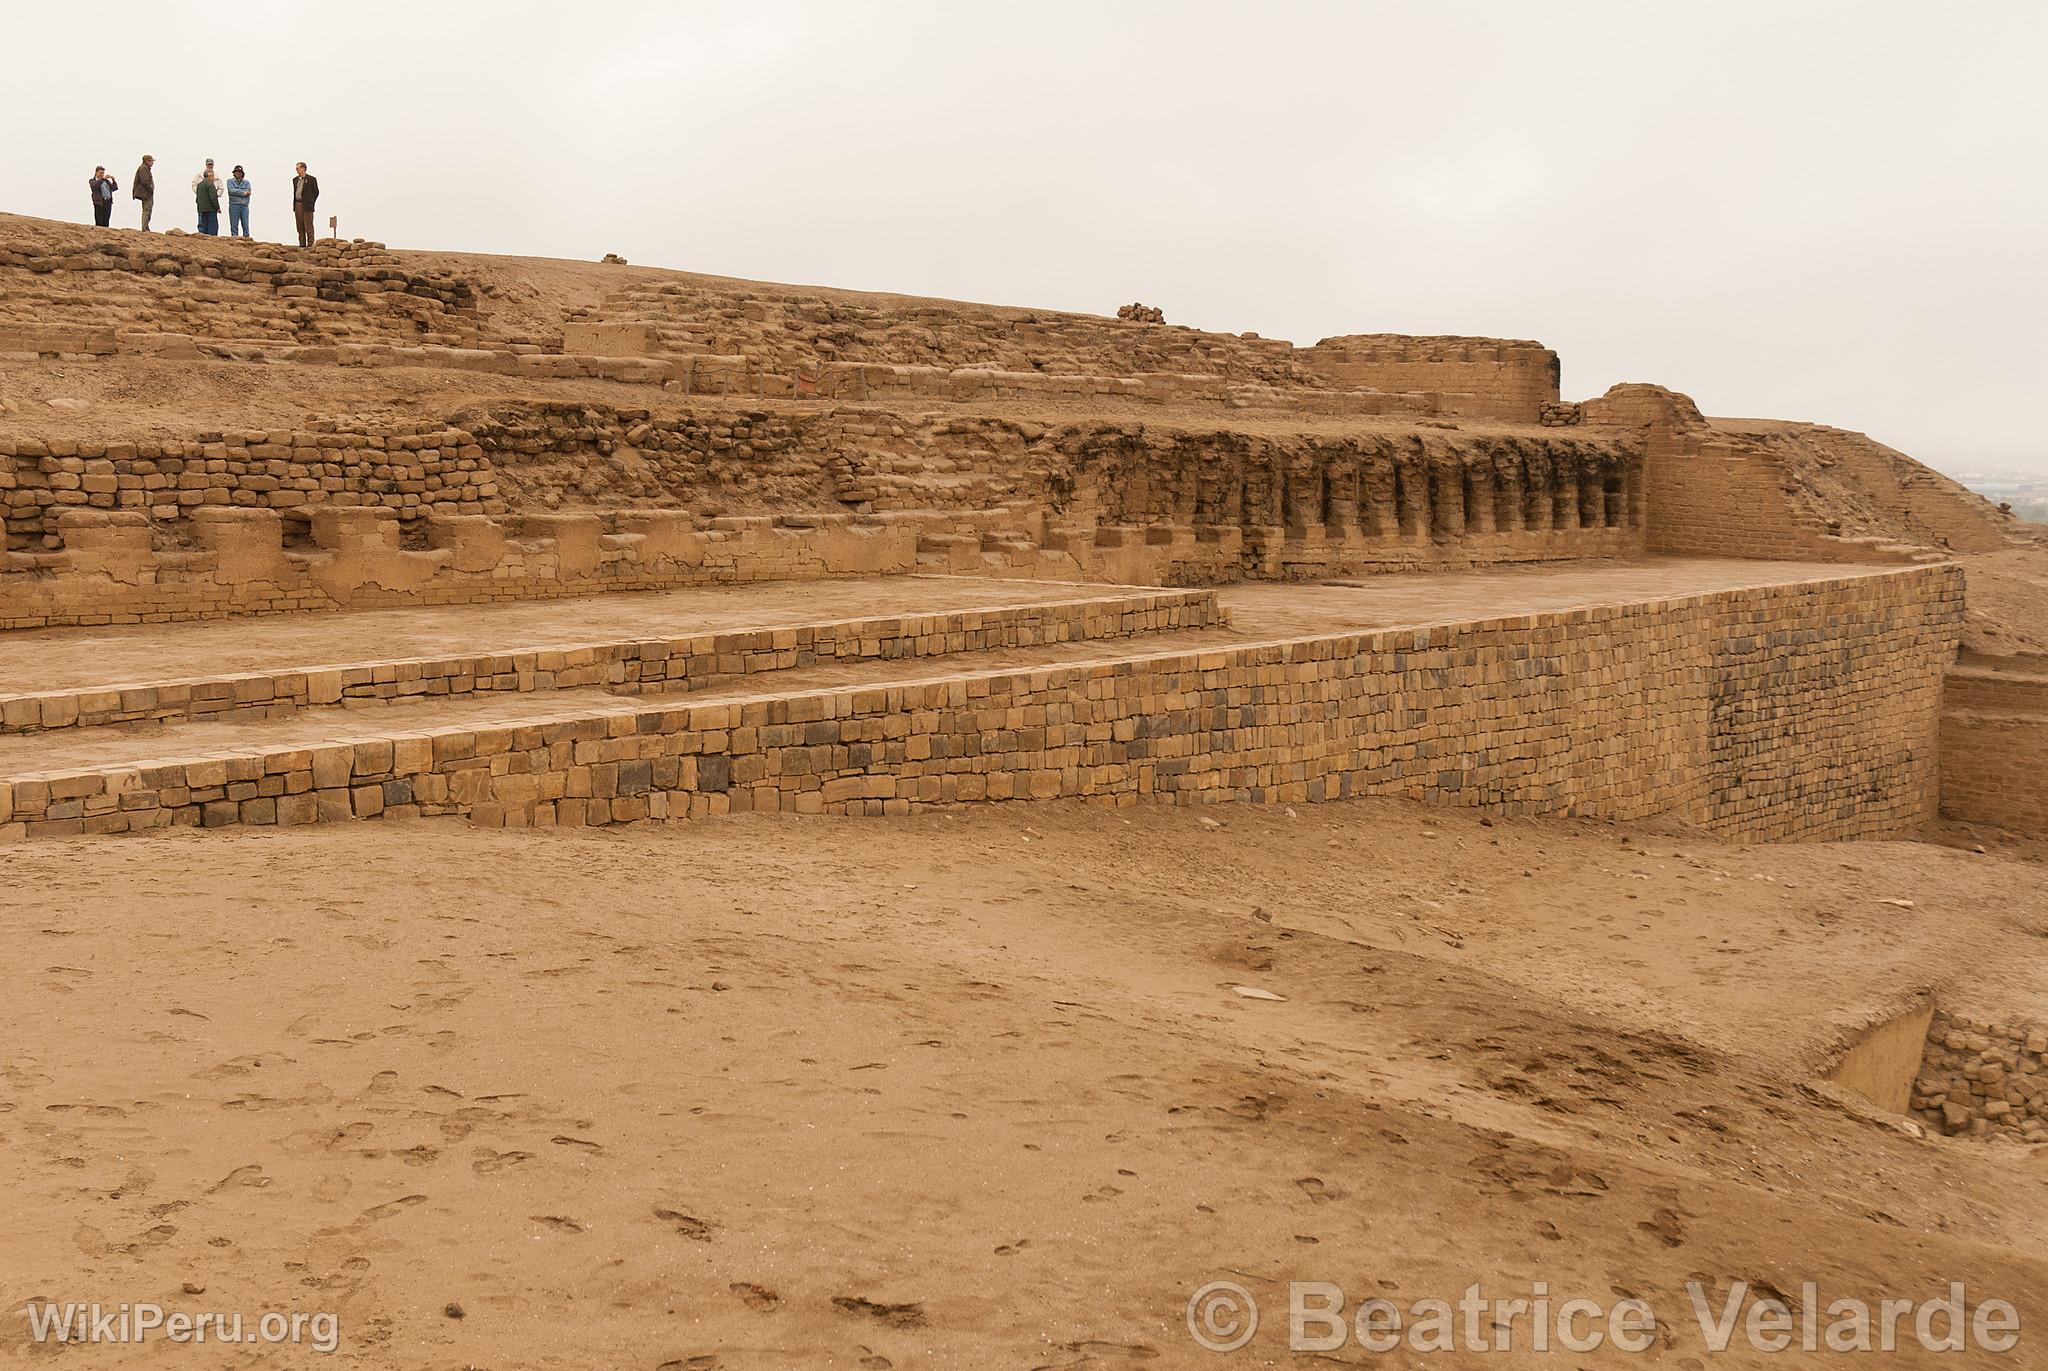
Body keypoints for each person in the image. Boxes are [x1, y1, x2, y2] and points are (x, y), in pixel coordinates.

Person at [290, 162, 320, 248]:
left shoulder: (311, 179)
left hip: (307, 205)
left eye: (298, 168)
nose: (296, 170)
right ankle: (302, 243)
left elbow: (316, 192)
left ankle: (310, 243)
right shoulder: (295, 180)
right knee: (299, 225)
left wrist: (311, 201)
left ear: (303, 168)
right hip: (298, 204)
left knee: (308, 225)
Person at [226, 166, 252, 238]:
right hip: (234, 205)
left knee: (245, 224)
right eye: (236, 172)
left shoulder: (246, 182)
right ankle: (234, 239)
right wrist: (243, 193)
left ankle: (246, 239)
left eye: (240, 172)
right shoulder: (230, 181)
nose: (238, 173)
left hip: (244, 206)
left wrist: (237, 192)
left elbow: (248, 192)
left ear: (242, 173)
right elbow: (231, 191)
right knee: (234, 224)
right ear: (234, 173)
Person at [195, 169, 222, 236]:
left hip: (201, 209)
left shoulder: (199, 185)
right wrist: (217, 208)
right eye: (213, 176)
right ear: (209, 176)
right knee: (212, 227)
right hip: (211, 209)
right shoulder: (210, 185)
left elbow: (198, 198)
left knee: (204, 227)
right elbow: (213, 198)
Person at [132, 155, 155, 231]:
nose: (152, 163)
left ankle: (145, 227)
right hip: (145, 193)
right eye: (151, 161)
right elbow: (145, 181)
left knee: (147, 209)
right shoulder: (143, 168)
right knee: (147, 210)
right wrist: (150, 190)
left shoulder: (144, 168)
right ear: (147, 161)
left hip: (145, 192)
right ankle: (145, 228)